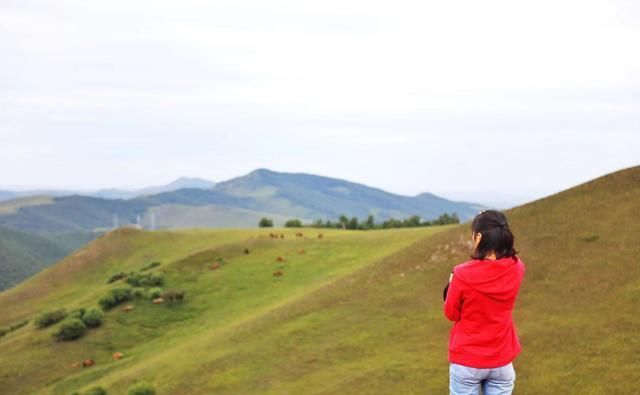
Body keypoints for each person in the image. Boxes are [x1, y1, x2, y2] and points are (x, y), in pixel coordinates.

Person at [443, 209, 525, 395]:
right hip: (502, 358)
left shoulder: (462, 274)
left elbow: (451, 313)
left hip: (467, 359)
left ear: (478, 237)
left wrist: (451, 284)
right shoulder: (516, 266)